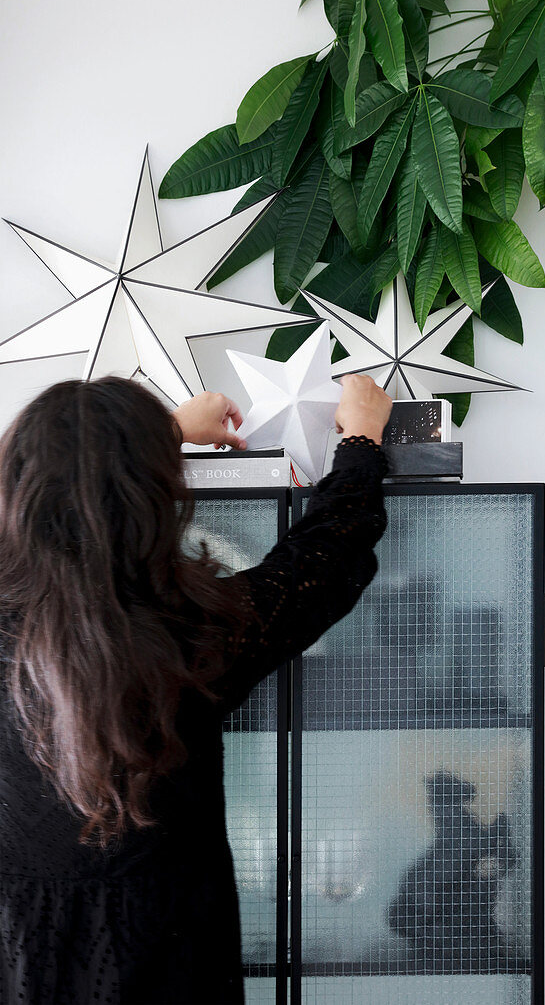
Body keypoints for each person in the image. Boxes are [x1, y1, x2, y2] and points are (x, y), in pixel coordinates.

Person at [0, 373, 392, 1005]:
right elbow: (325, 555)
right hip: (168, 949)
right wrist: (362, 440)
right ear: (156, 499)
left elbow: (47, 481)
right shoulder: (193, 635)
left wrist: (164, 434)